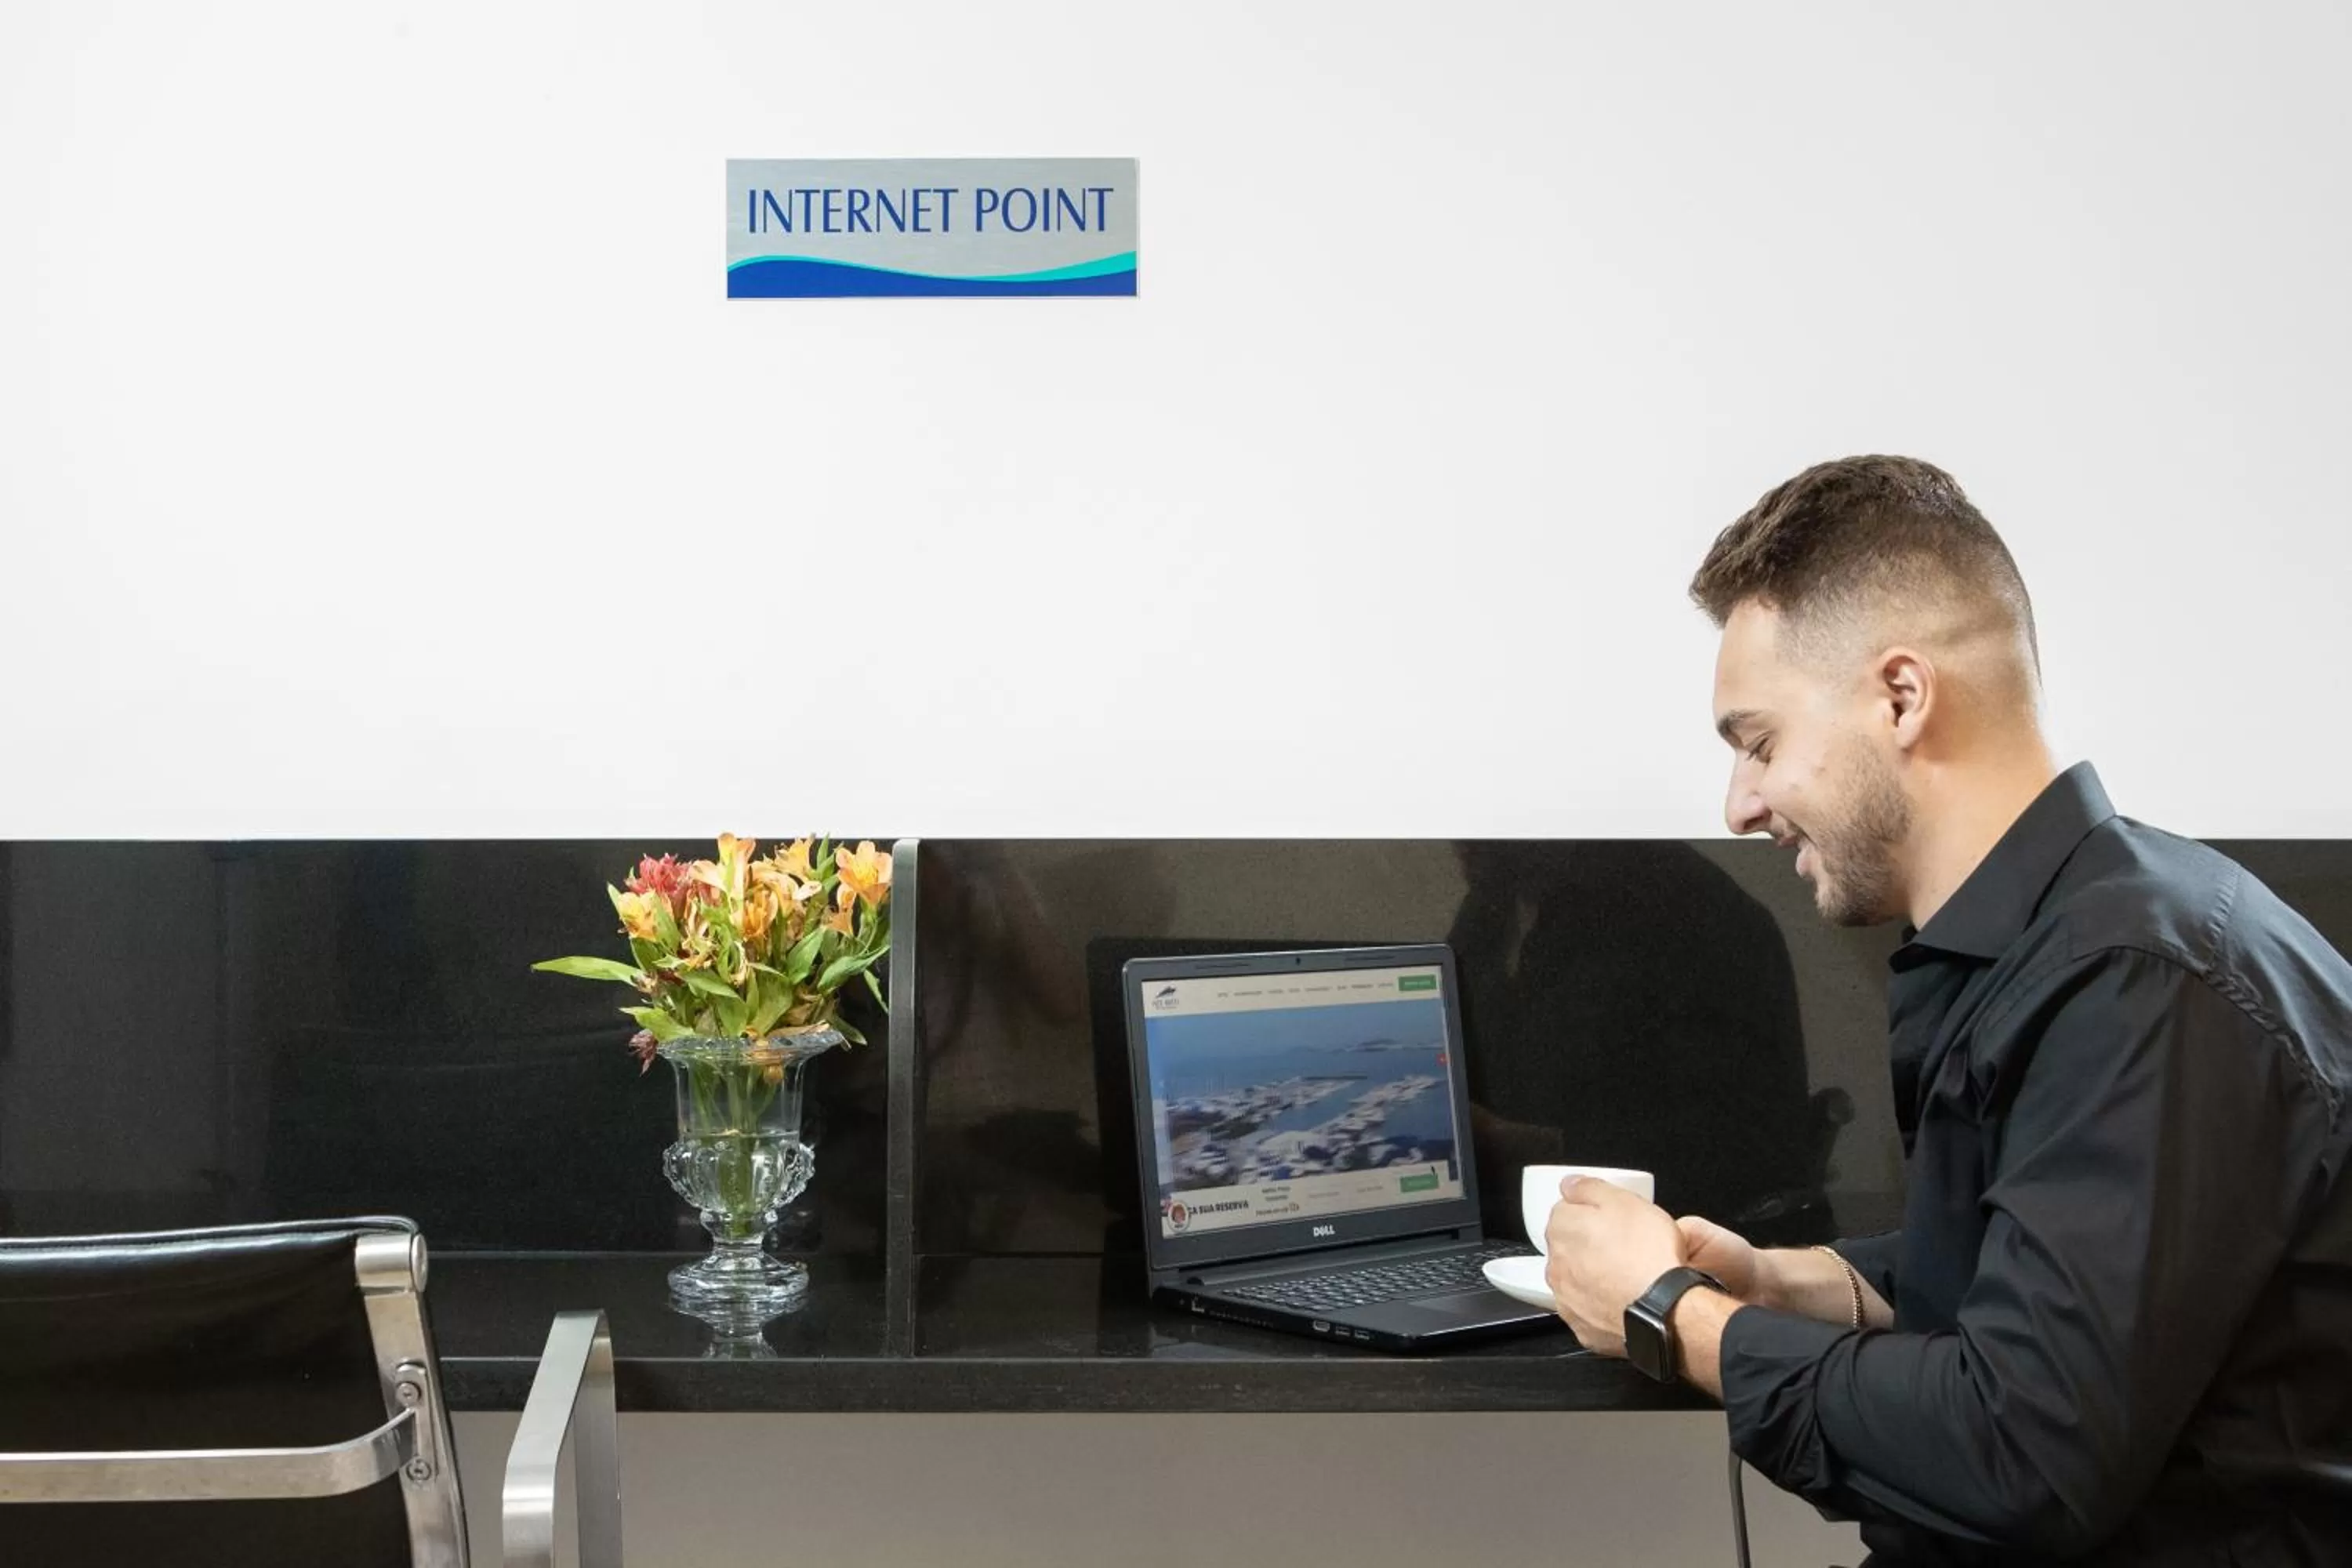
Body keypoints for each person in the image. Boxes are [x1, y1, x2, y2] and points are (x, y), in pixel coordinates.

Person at [1542, 456, 2352, 1565]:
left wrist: (1673, 1317)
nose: (1739, 805)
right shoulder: (2059, 944)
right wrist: (1787, 1282)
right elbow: (2035, 1272)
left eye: (1759, 743)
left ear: (1902, 696)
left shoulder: (2142, 982)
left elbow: (2023, 1450)